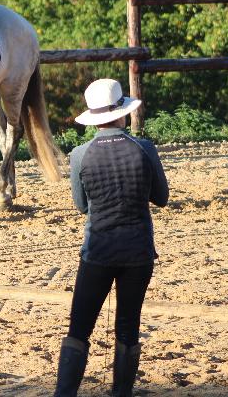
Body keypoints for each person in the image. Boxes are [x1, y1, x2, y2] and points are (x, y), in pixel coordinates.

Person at [54, 78, 169, 397]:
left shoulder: (79, 154)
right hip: (138, 253)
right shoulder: (144, 148)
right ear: (121, 111)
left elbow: (81, 206)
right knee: (128, 328)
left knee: (79, 329)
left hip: (98, 252)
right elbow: (162, 198)